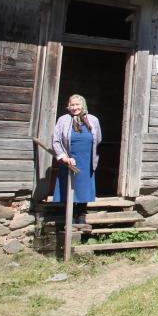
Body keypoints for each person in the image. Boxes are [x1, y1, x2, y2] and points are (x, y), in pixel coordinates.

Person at [51, 94, 101, 230]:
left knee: (84, 187)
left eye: (77, 104)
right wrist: (63, 157)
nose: (75, 107)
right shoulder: (63, 120)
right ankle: (70, 219)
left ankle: (82, 218)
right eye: (72, 105)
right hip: (70, 159)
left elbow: (98, 138)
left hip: (87, 159)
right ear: (68, 106)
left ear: (83, 105)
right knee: (69, 187)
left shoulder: (93, 120)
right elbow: (55, 140)